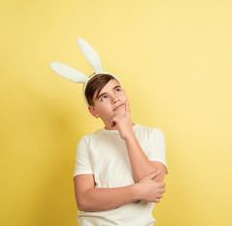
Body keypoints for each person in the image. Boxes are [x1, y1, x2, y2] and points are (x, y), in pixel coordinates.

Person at [50, 38, 168, 226]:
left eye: (117, 90)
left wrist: (128, 135)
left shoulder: (152, 135)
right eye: (104, 97)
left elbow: (153, 187)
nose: (115, 99)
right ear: (93, 111)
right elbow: (85, 200)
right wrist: (137, 191)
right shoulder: (88, 143)